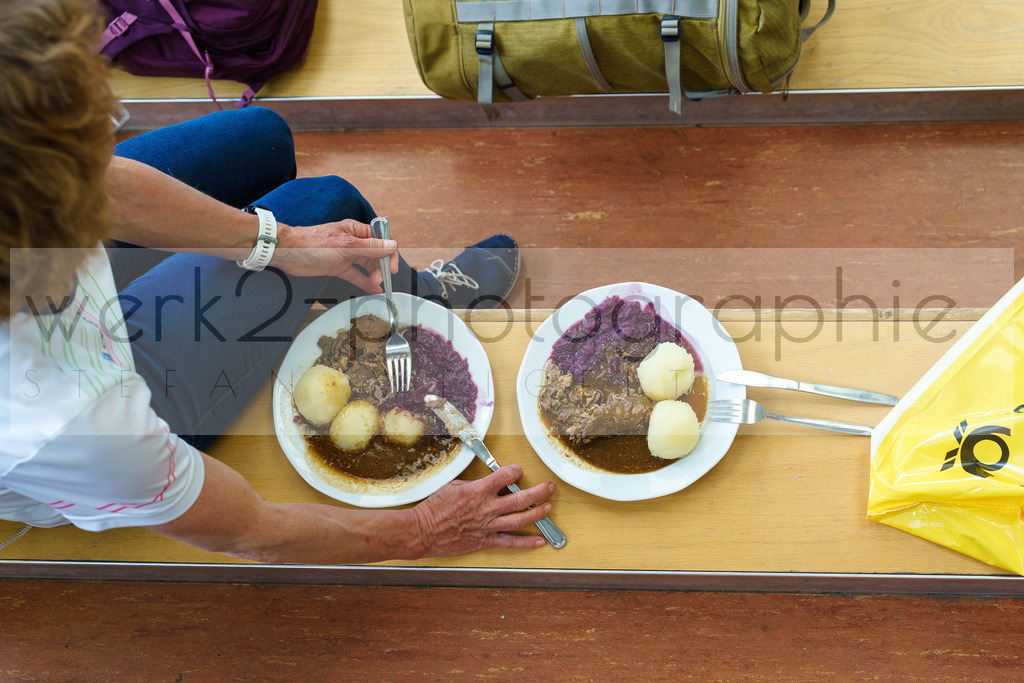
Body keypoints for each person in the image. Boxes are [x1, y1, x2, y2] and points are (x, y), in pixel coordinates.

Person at [0, 0, 555, 562]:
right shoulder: (65, 421)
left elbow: (108, 183)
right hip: (103, 386)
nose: (113, 127)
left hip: (49, 286)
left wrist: (279, 243)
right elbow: (251, 530)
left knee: (261, 138)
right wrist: (426, 528)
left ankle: (367, 283)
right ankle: (423, 300)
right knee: (322, 204)